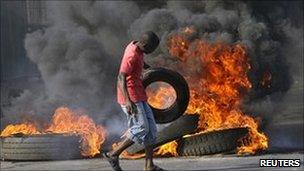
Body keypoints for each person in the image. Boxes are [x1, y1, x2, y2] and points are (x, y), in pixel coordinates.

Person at [103, 31, 164, 171]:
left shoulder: (136, 45)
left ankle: (149, 166)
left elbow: (139, 60)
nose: (152, 51)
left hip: (139, 94)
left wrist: (148, 67)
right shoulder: (131, 54)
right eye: (151, 48)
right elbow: (121, 78)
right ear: (144, 44)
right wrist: (128, 101)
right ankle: (113, 154)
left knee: (151, 131)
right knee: (141, 127)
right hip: (130, 96)